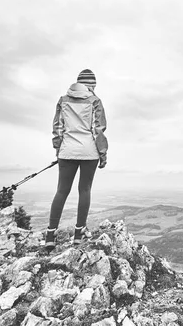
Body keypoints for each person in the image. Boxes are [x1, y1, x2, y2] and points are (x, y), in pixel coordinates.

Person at [45, 69, 108, 248]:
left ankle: (50, 235)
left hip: (67, 151)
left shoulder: (63, 101)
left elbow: (57, 128)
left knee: (61, 190)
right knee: (85, 190)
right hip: (89, 152)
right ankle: (79, 234)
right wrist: (103, 154)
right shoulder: (95, 101)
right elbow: (99, 130)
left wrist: (58, 150)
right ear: (91, 85)